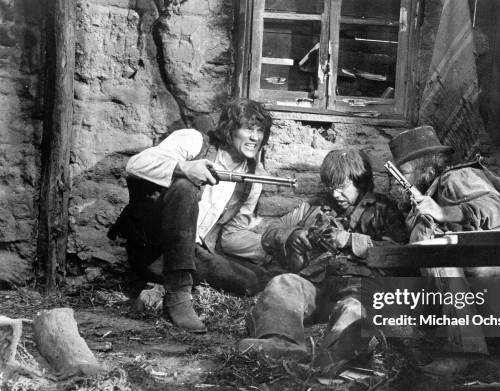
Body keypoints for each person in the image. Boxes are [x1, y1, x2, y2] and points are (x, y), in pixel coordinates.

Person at [108, 98, 273, 331]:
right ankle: (178, 296)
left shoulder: (252, 179)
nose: (255, 137)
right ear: (231, 129)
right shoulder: (195, 142)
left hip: (192, 253)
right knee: (185, 187)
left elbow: (231, 236)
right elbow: (135, 164)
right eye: (249, 129)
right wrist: (183, 168)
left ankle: (161, 285)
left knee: (254, 281)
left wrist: (270, 245)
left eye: (260, 131)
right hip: (153, 249)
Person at [237, 148, 410, 364]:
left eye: (342, 187)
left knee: (353, 310)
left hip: (359, 290)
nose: (336, 195)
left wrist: (351, 240)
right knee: (284, 283)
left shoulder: (383, 209)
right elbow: (272, 231)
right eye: (331, 188)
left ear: (360, 180)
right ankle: (283, 344)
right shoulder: (315, 206)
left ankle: (332, 358)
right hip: (318, 290)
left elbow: (401, 255)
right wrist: (291, 235)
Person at [390, 126, 500, 355]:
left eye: (404, 173)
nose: (396, 184)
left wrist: (443, 214)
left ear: (426, 169)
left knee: (427, 233)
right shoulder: (425, 197)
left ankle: (465, 351)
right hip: (481, 296)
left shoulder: (453, 178)